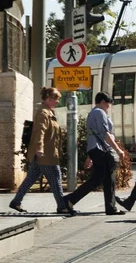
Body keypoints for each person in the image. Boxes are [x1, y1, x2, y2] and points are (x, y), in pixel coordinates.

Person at [10, 87, 71, 215]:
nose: (58, 102)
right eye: (56, 99)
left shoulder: (49, 112)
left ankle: (16, 201)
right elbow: (39, 132)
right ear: (49, 99)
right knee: (56, 178)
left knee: (30, 179)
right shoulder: (43, 113)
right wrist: (39, 148)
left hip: (46, 153)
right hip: (46, 154)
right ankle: (61, 206)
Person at [64, 92, 126, 215]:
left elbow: (94, 136)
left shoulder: (93, 113)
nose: (109, 107)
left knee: (107, 178)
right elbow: (105, 134)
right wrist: (118, 150)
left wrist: (89, 157)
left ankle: (110, 207)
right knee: (100, 179)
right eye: (109, 104)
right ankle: (70, 199)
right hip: (102, 150)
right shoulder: (99, 112)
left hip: (96, 149)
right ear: (103, 102)